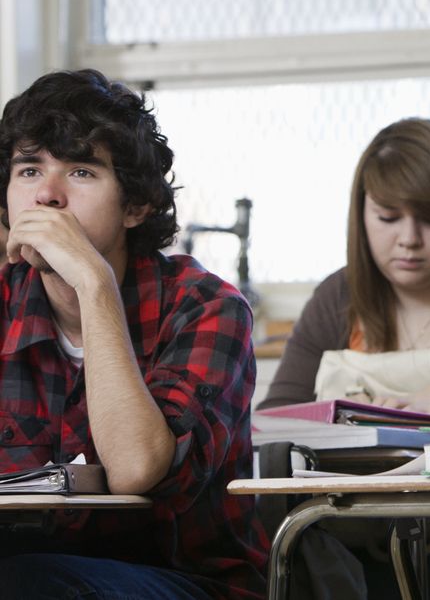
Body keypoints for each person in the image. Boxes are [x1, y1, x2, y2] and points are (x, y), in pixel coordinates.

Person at [0, 69, 266, 598]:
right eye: (28, 170)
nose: (47, 196)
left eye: (80, 171)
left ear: (135, 206)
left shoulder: (205, 306)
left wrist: (93, 283)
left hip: (183, 578)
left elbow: (136, 469)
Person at [258, 118, 430, 414]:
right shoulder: (338, 295)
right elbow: (275, 418)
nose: (409, 239)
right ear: (361, 214)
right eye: (388, 218)